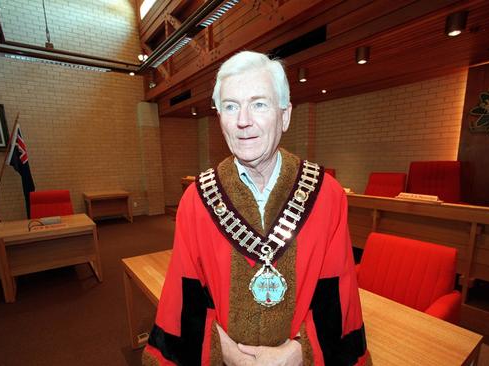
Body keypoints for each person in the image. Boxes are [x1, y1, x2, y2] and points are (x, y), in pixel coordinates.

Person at [143, 51, 368, 365]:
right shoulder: (197, 199)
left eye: (259, 104)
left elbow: (337, 294)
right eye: (230, 106)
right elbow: (186, 296)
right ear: (220, 118)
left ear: (285, 115)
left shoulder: (326, 195)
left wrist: (300, 353)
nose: (243, 120)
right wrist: (225, 350)